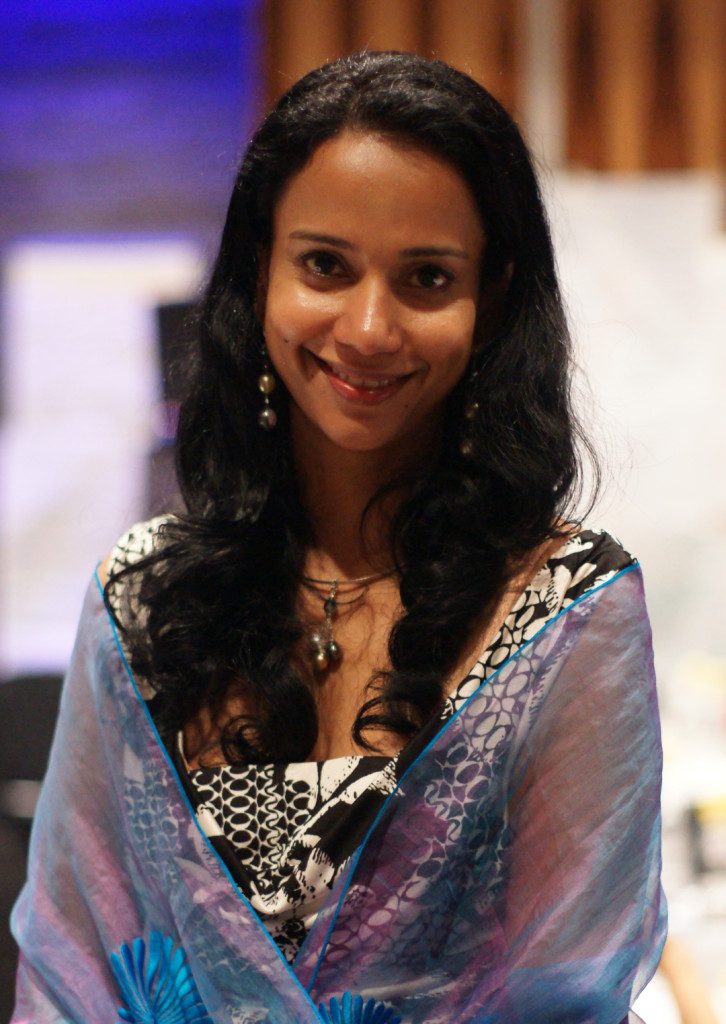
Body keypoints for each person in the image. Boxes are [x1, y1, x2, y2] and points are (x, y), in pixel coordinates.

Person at [11, 51, 666, 1023]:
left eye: (427, 277)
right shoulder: (143, 597)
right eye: (325, 265)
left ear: (490, 301)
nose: (367, 327)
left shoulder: (567, 611)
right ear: (259, 271)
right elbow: (70, 972)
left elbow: (567, 993)